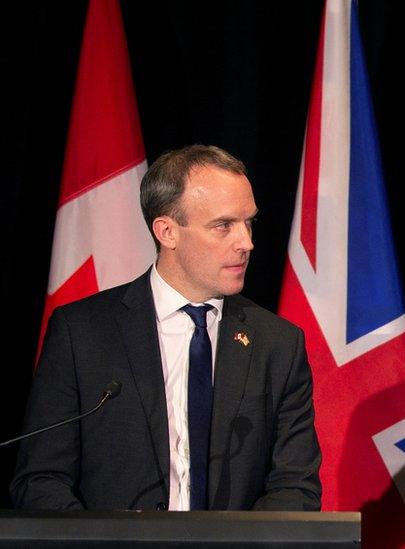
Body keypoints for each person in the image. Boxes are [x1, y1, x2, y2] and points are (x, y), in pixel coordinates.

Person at [11, 145, 321, 511]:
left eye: (248, 222)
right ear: (167, 232)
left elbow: (295, 486)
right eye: (224, 225)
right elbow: (41, 480)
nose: (246, 243)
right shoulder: (82, 334)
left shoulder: (278, 344)